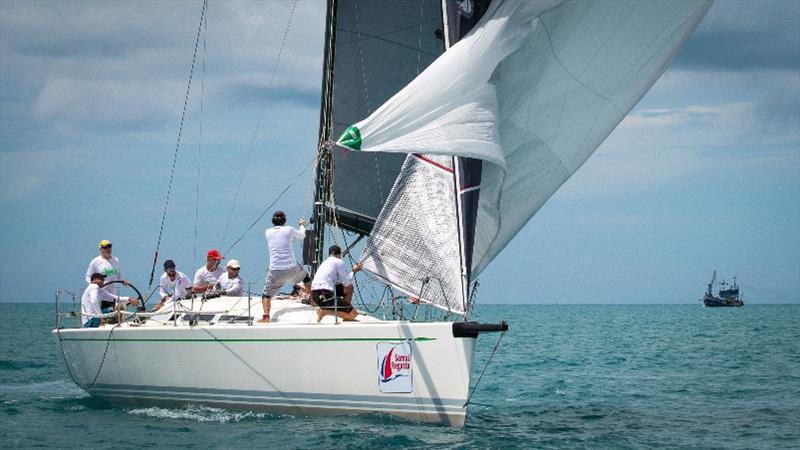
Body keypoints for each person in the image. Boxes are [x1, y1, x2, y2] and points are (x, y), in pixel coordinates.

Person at [259, 211, 308, 323]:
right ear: (285, 221)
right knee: (306, 277)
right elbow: (302, 235)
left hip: (276, 271)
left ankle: (266, 316)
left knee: (266, 295)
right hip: (292, 268)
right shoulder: (289, 229)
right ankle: (313, 301)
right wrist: (301, 225)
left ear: (273, 221)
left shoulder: (268, 232)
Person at [310, 245, 362, 322]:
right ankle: (324, 312)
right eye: (340, 254)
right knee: (353, 314)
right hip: (325, 294)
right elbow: (346, 282)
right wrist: (354, 271)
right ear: (335, 253)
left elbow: (344, 284)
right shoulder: (338, 261)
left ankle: (345, 311)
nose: (341, 256)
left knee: (349, 288)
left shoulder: (325, 263)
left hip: (315, 294)